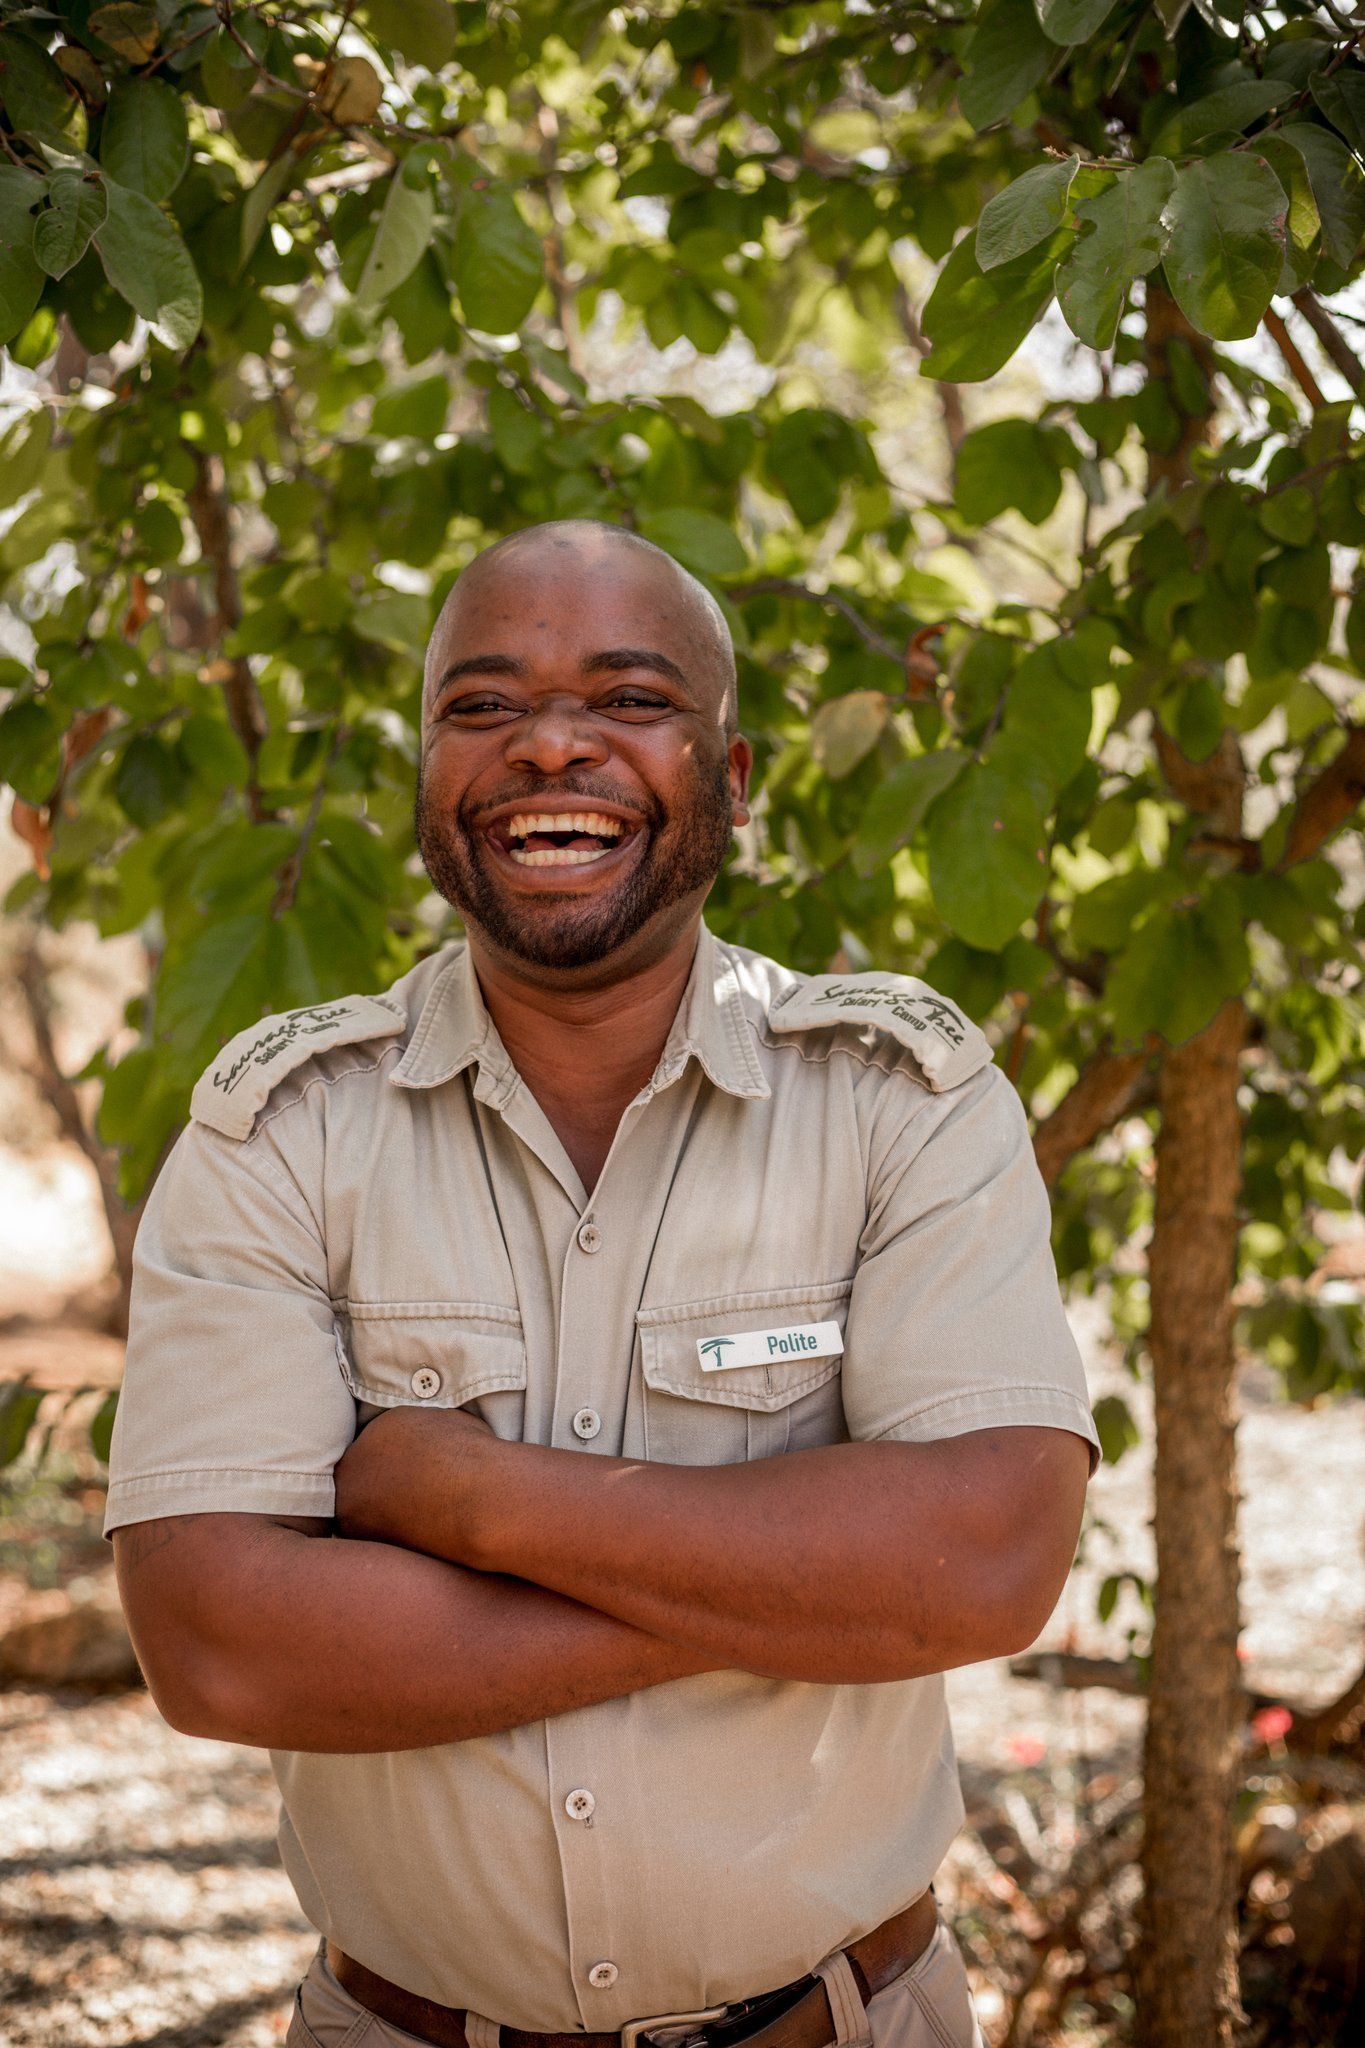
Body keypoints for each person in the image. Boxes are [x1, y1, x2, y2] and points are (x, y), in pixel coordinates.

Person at [106, 519, 1099, 2048]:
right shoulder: (280, 1133)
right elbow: (219, 1642)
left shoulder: (902, 1097)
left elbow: (983, 1561)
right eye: (482, 706)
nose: (549, 745)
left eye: (630, 700)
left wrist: (474, 1505)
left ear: (735, 778)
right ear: (426, 774)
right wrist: (817, 1592)